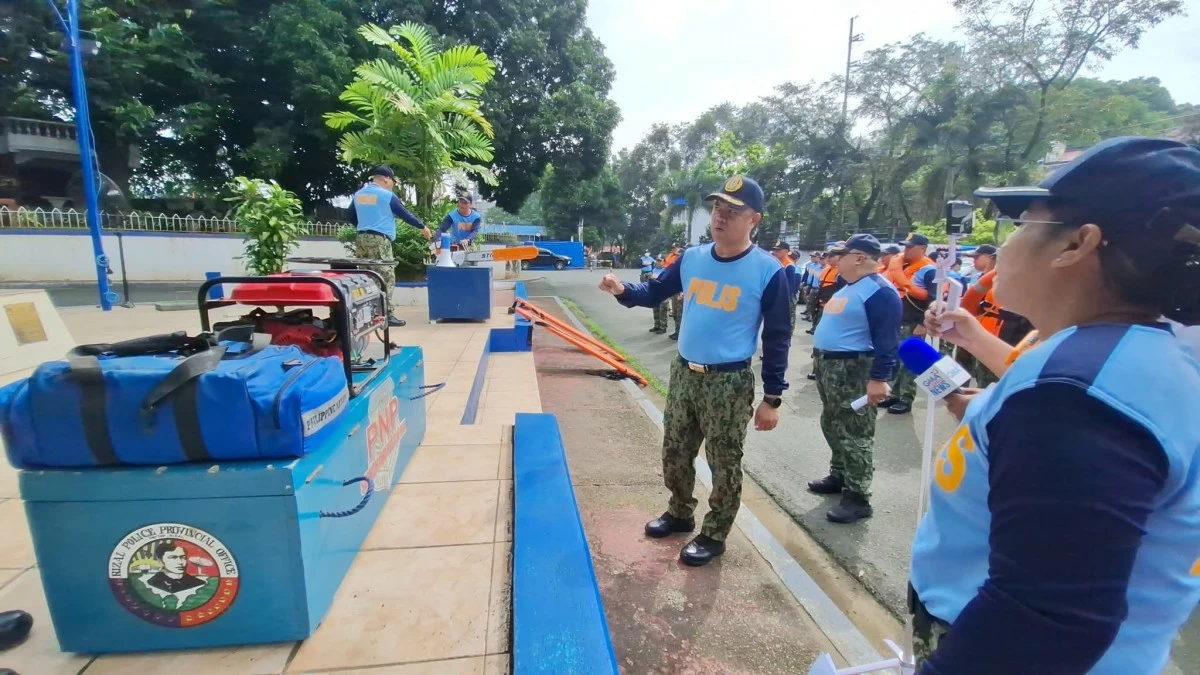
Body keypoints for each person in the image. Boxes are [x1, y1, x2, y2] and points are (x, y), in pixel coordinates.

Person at [907, 136, 1200, 674]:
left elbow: (1042, 619)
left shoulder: (1076, 396)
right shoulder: (1123, 356)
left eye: (1024, 224)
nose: (1008, 245)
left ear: (1077, 244)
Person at [597, 175, 791, 567]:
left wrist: (772, 397)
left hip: (728, 381)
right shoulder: (692, 258)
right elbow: (653, 292)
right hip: (686, 374)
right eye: (718, 209)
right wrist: (622, 290)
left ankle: (715, 532)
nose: (721, 217)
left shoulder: (768, 271)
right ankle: (680, 512)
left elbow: (778, 336)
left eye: (732, 211)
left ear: (754, 218)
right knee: (675, 451)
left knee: (723, 460)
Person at [806, 234, 901, 523]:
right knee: (833, 422)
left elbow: (887, 341)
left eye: (842, 254)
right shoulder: (849, 287)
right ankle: (840, 476)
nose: (835, 259)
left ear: (860, 258)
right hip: (830, 368)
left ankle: (858, 496)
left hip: (854, 370)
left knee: (855, 432)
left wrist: (879, 378)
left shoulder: (880, 292)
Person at [349, 166, 432, 327]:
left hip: (361, 238)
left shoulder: (359, 195)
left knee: (367, 276)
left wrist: (365, 227)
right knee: (386, 276)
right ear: (386, 178)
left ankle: (367, 313)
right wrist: (423, 227)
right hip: (379, 239)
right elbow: (405, 214)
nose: (392, 184)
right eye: (392, 181)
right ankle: (386, 314)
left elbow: (351, 216)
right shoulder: (387, 196)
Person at [881, 233, 937, 414]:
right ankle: (894, 395)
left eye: (910, 247)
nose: (906, 250)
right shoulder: (904, 266)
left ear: (923, 248)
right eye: (905, 246)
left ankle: (906, 398)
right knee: (895, 360)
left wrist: (922, 323)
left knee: (908, 363)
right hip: (898, 320)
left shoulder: (929, 270)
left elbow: (934, 299)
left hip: (914, 322)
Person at [770, 241, 802, 333]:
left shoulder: (789, 265)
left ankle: (788, 335)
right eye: (775, 250)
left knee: (787, 316)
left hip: (784, 296)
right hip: (776, 294)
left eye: (779, 250)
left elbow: (790, 286)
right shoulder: (776, 262)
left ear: (786, 251)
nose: (776, 252)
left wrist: (785, 299)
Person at [663, 244, 685, 339]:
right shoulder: (676, 263)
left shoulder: (688, 267)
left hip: (682, 293)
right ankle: (677, 331)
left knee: (680, 313)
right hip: (675, 291)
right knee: (676, 312)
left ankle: (680, 333)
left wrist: (682, 292)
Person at [649, 255, 670, 334]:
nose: (658, 262)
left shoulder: (666, 270)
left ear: (664, 261)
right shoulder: (654, 270)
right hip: (655, 292)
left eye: (660, 260)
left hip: (663, 293)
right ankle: (656, 325)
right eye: (657, 260)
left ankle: (663, 327)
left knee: (663, 311)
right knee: (655, 309)